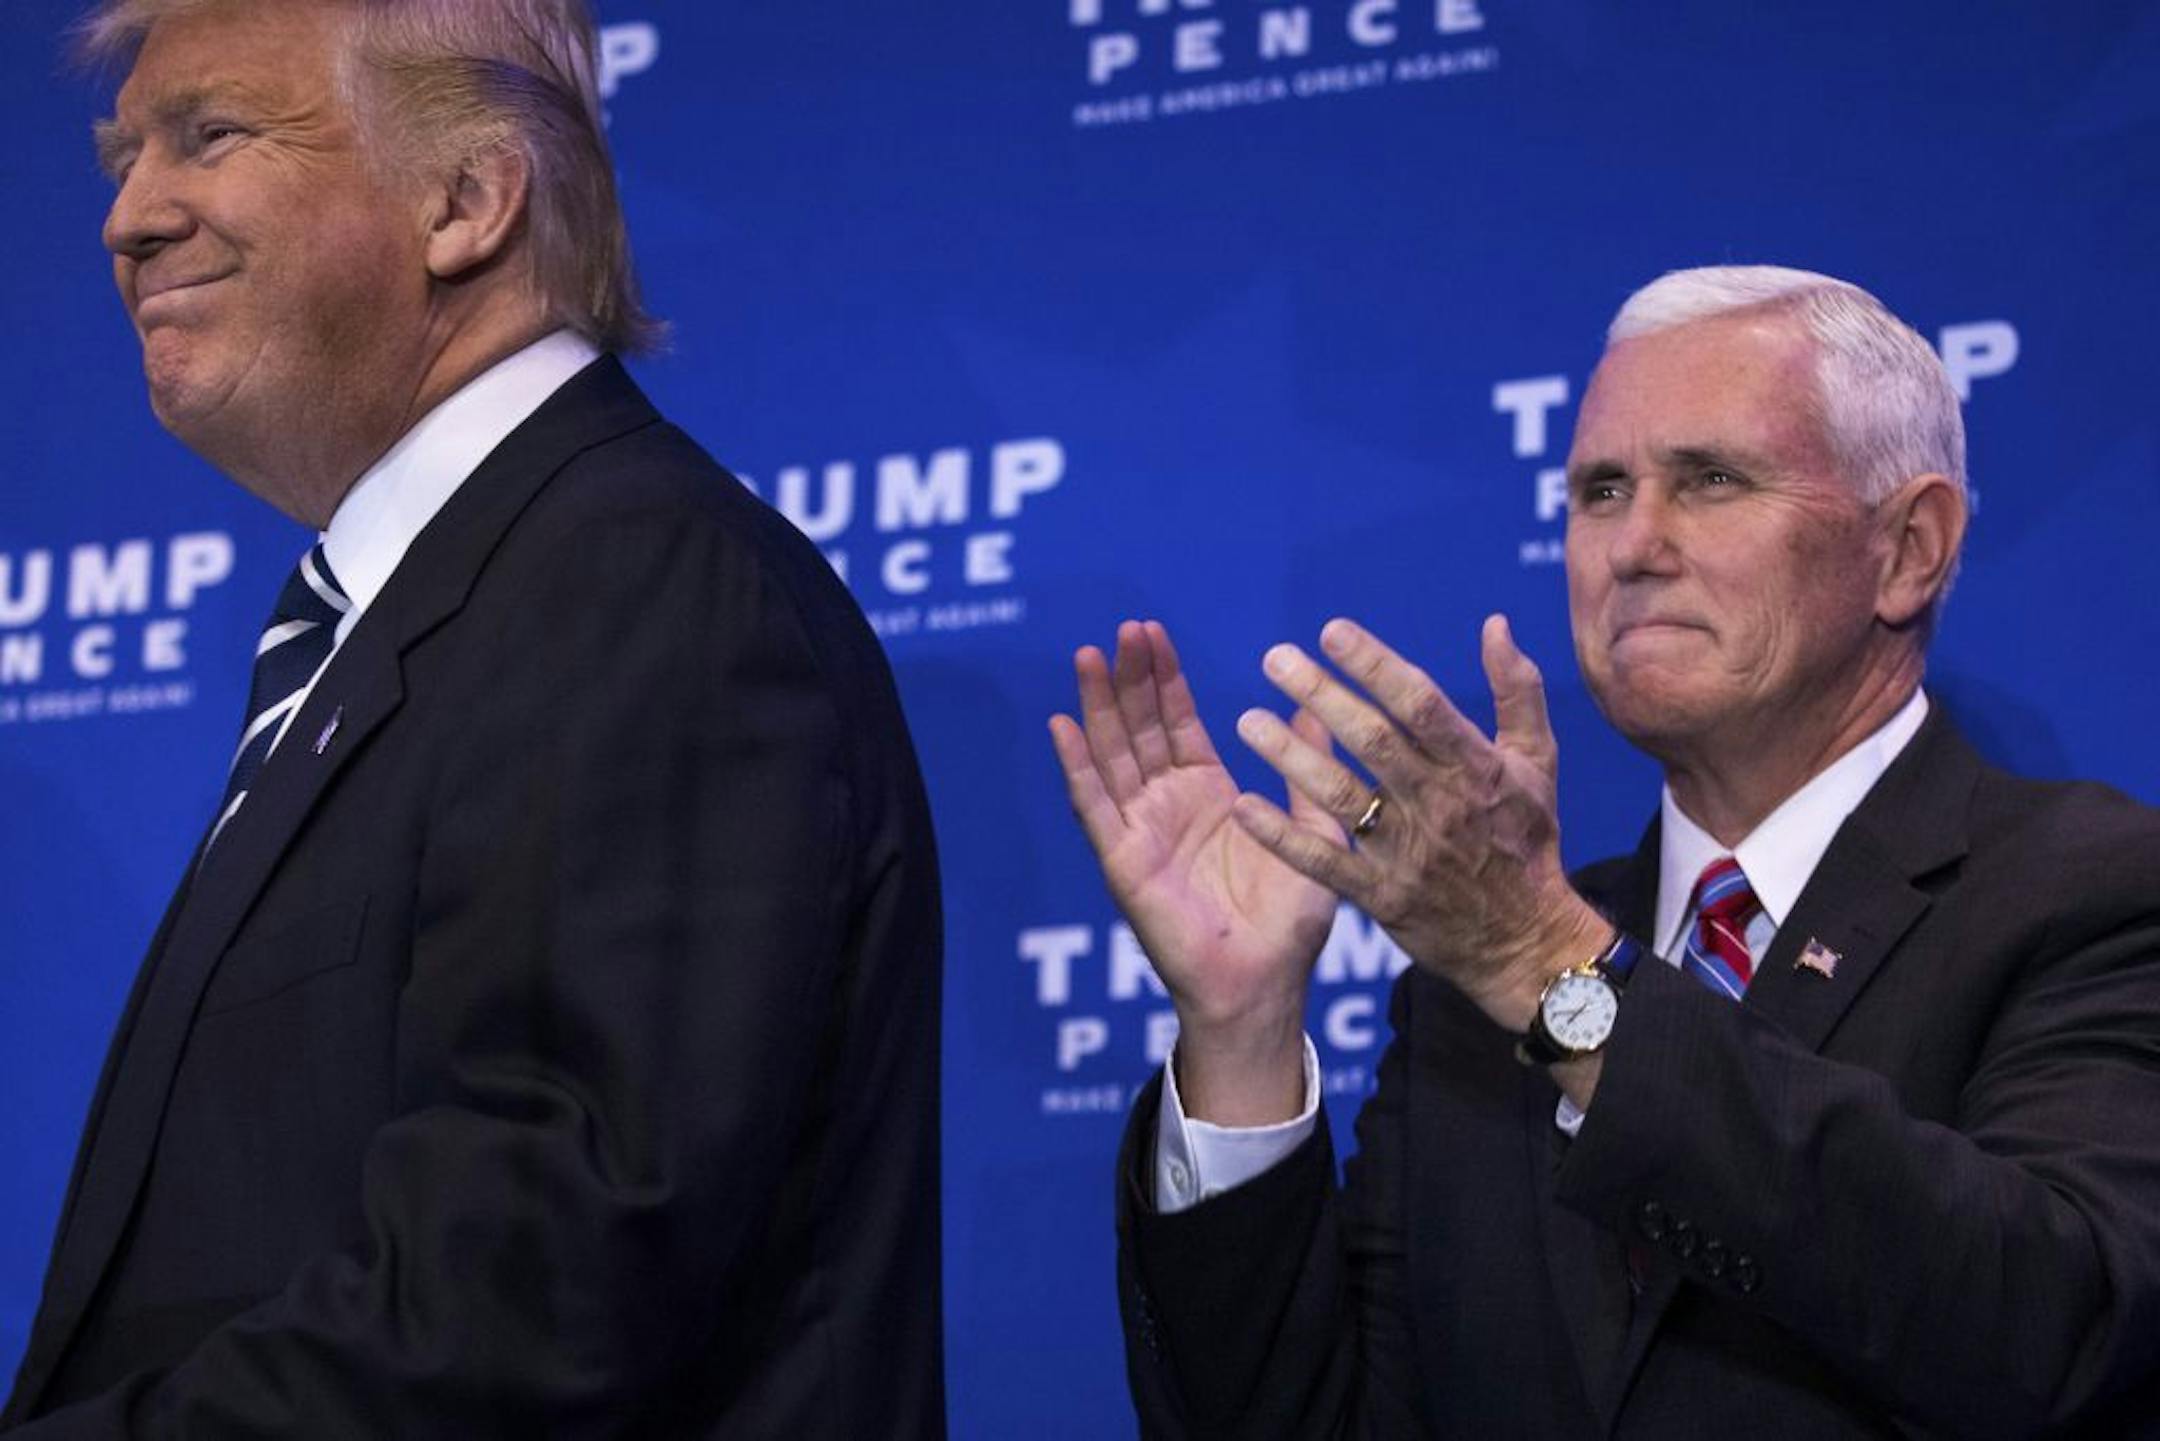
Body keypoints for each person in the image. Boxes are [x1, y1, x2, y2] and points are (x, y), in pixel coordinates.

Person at [2, 1, 944, 1435]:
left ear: (467, 199)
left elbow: (539, 1289)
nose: (129, 218)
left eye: (211, 135)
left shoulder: (630, 582)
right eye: (123, 155)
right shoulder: (449, 607)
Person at [1052, 265, 2160, 1437]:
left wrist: (1546, 966)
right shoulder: (1468, 993)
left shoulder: (2095, 896)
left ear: (1909, 549)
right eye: (1600, 489)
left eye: (1713, 480)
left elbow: (2052, 1321)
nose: (1634, 544)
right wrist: (1241, 1029)